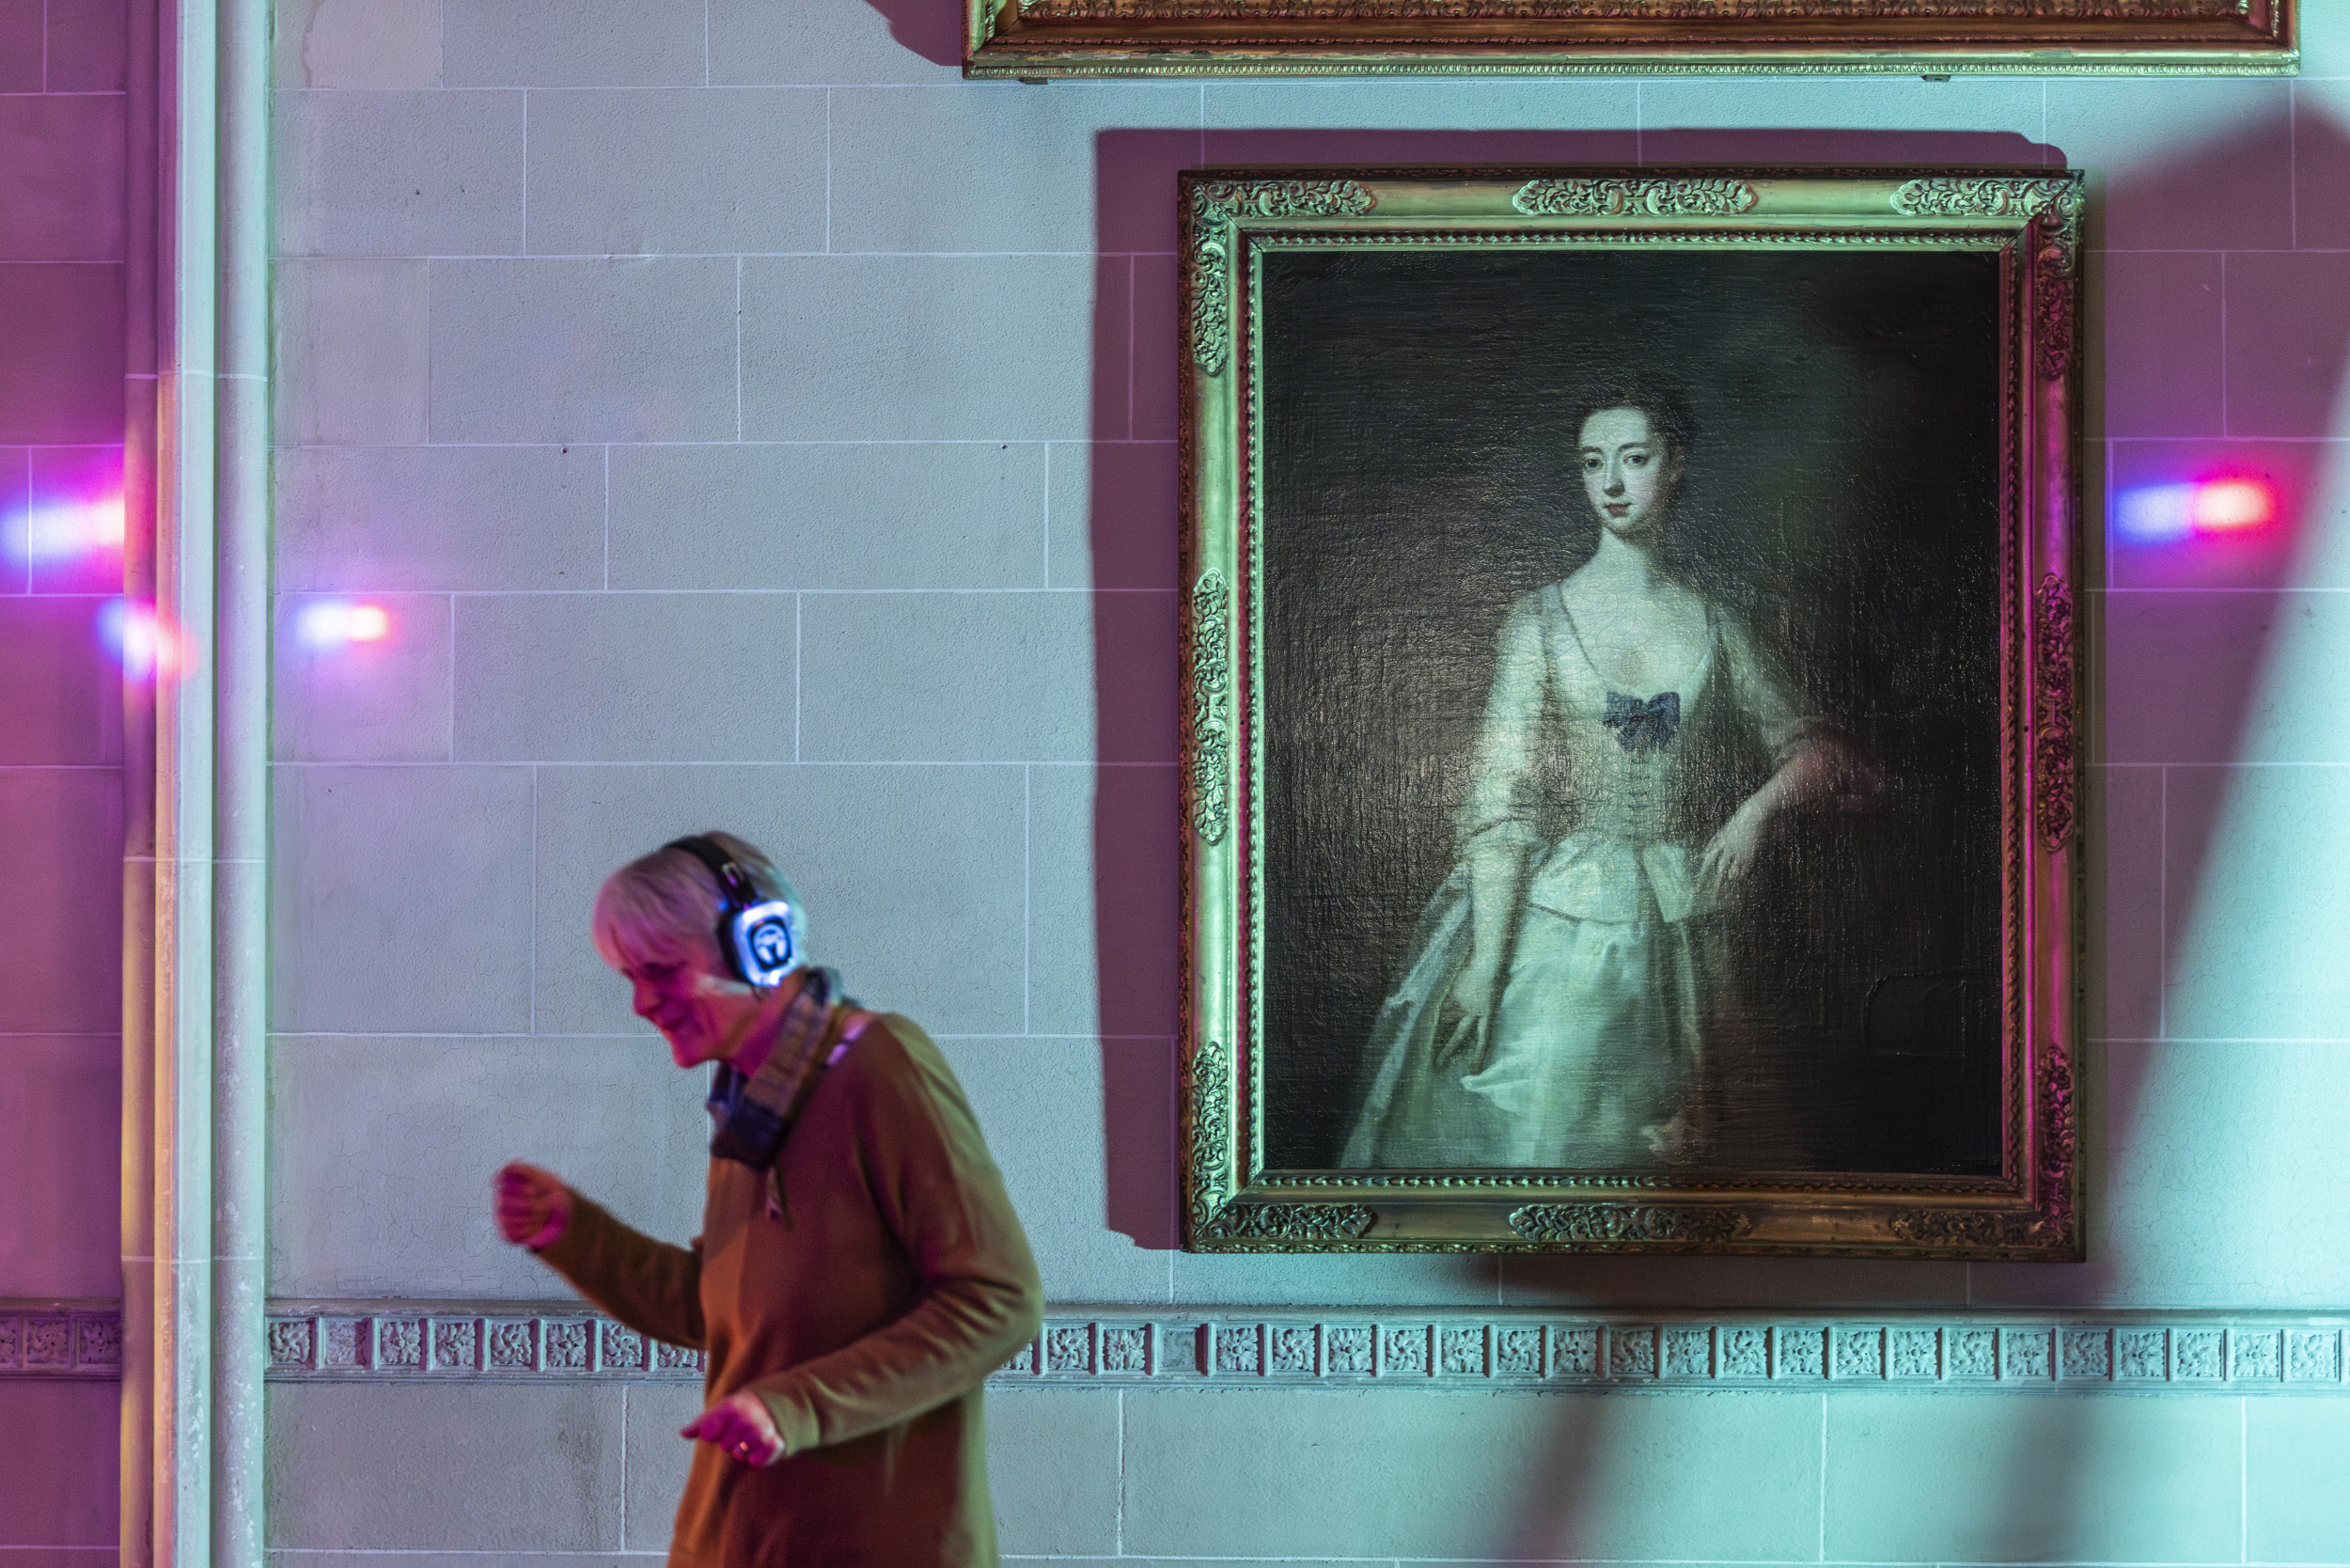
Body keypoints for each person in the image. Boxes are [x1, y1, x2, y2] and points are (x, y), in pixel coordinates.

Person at [1342, 380, 1872, 1171]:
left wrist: (1754, 812)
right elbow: (1502, 801)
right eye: (1595, 464)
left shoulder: (1715, 622)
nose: (1613, 485)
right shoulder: (1540, 620)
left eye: (1635, 459)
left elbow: (1820, 753)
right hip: (1559, 922)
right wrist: (1486, 967)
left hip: (1682, 914)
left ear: (1677, 464)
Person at [494, 832, 1042, 1567]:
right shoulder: (749, 1104)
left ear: (764, 947)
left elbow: (998, 1300)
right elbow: (718, 1306)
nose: (641, 1003)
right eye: (629, 976)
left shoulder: (880, 1068)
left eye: (660, 971)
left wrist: (797, 1407)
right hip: (744, 1542)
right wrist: (574, 1233)